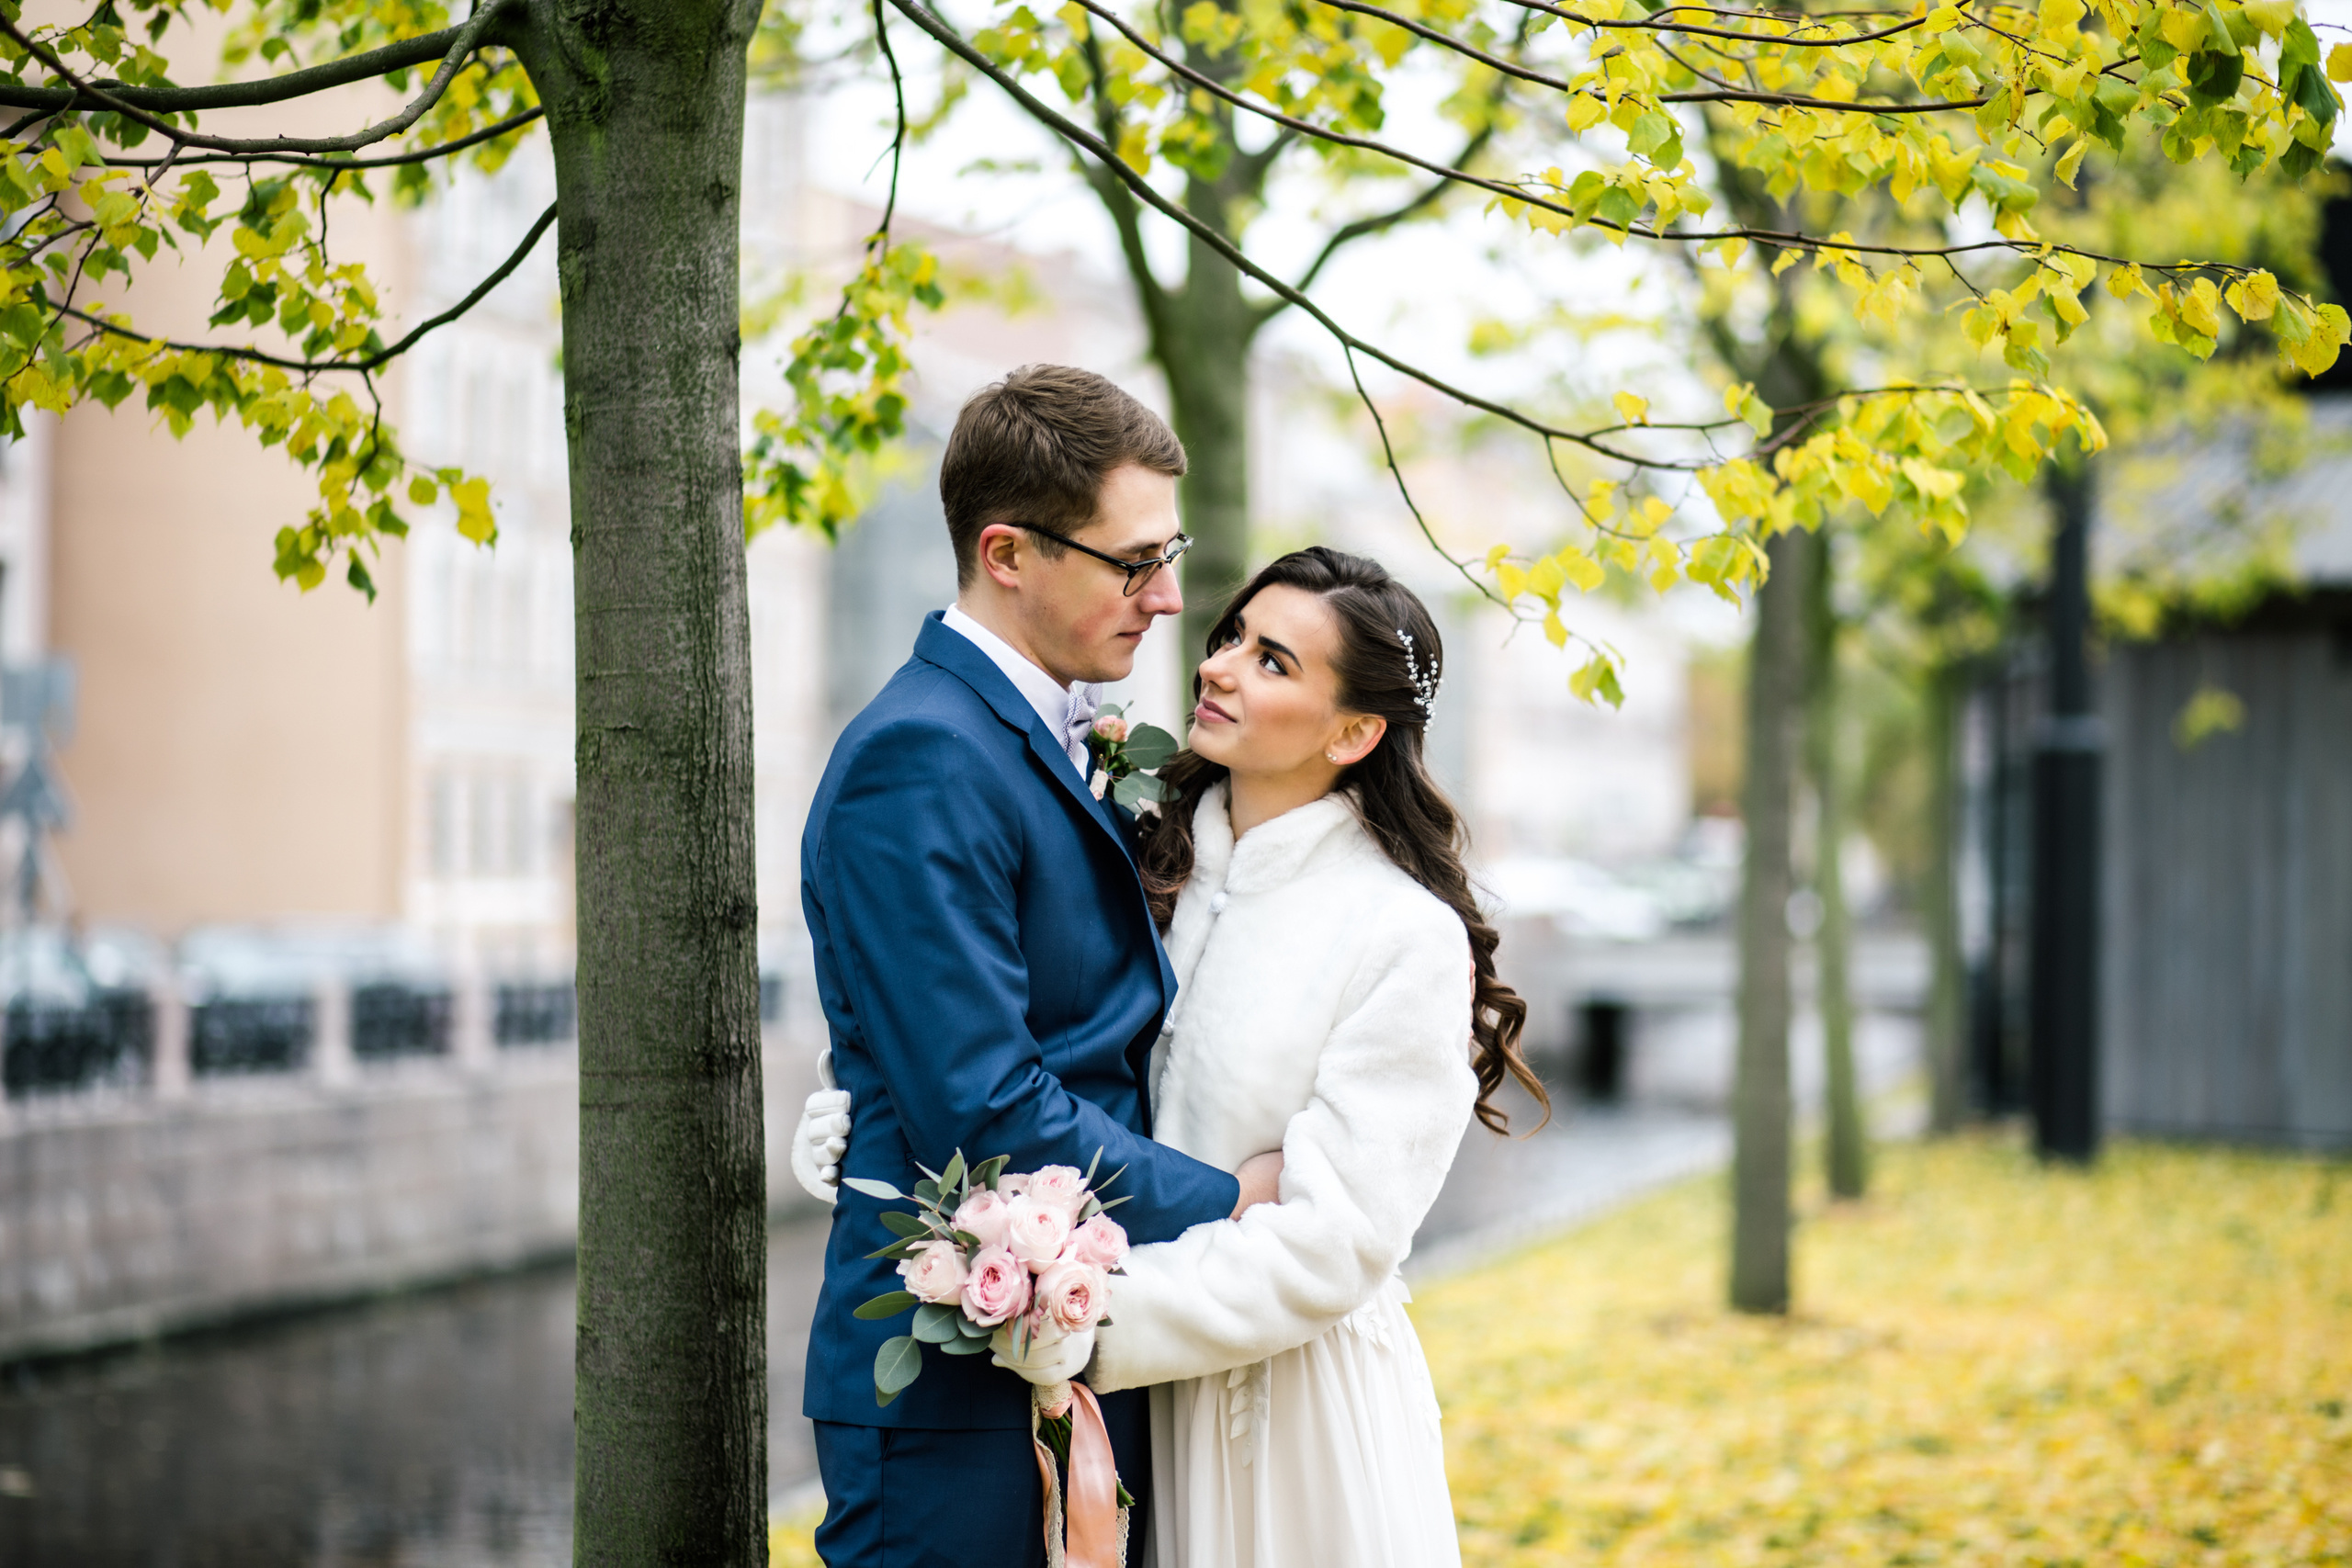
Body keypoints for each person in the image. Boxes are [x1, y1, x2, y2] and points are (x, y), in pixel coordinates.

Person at [798, 547, 1549, 1567]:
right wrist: (863, 1108)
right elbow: (1029, 1034)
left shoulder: (1401, 936)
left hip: (1280, 1414)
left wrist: (1084, 1320)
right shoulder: (1147, 854)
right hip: (1136, 1406)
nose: (1221, 665)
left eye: (1275, 661)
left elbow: (1337, 1242)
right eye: (1233, 634)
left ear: (1356, 731)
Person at [797, 364, 1283, 1568]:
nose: (1169, 598)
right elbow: (987, 1102)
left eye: (1172, 553)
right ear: (1009, 552)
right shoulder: (918, 757)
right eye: (1133, 563)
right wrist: (1234, 1207)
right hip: (953, 1388)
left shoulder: (1058, 737)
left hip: (1071, 1336)